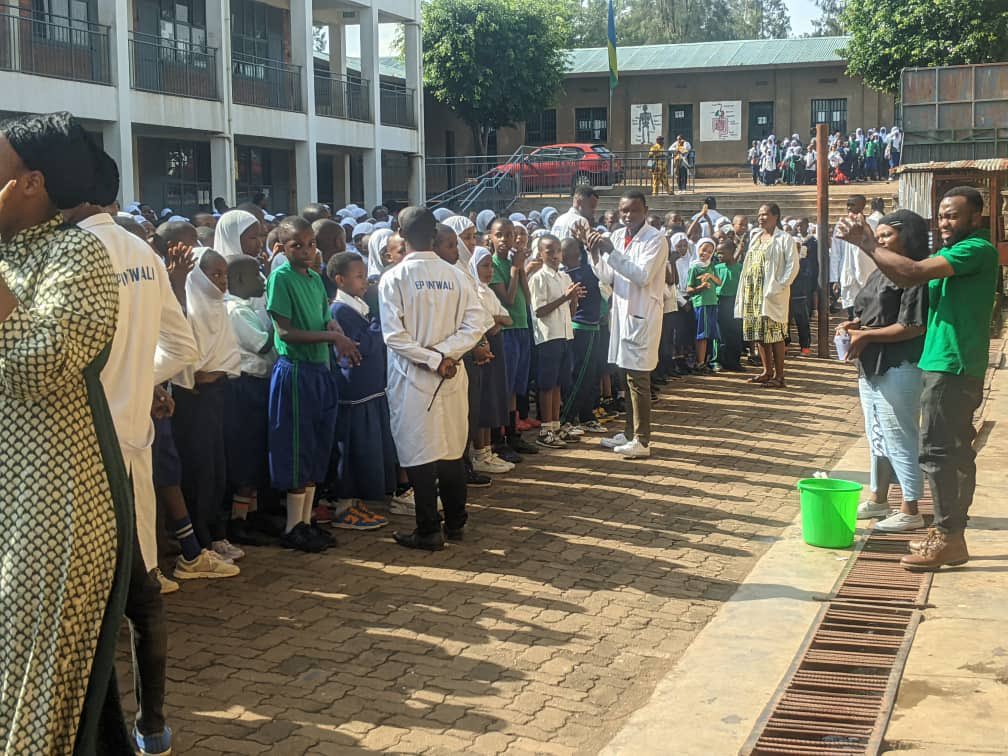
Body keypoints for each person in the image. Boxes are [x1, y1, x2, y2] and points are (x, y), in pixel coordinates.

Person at [0, 111, 132, 753]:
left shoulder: (77, 255)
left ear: (30, 183)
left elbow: (34, 367)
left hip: (51, 505)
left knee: (28, 696)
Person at [64, 157, 199, 754]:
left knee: (83, 601)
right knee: (141, 591)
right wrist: (139, 386)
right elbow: (182, 345)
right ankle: (151, 725)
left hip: (78, 450)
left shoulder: (64, 256)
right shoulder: (143, 253)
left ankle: (93, 729)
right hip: (132, 443)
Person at [838, 186, 999, 570]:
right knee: (938, 449)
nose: (945, 223)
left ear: (976, 218)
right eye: (941, 216)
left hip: (955, 363)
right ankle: (947, 533)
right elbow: (906, 276)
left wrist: (865, 243)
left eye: (953, 216)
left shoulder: (975, 249)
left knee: (944, 452)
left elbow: (910, 273)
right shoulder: (949, 252)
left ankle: (948, 536)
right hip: (938, 361)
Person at [379, 207, 488, 551]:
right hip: (451, 372)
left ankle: (429, 528)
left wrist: (432, 358)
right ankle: (455, 521)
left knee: (419, 451)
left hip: (413, 376)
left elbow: (394, 337)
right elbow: (476, 325)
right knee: (451, 447)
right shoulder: (456, 275)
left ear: (401, 232)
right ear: (433, 234)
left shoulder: (393, 278)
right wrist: (445, 354)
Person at [266, 217, 359, 553]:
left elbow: (325, 317)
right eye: (297, 245)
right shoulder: (281, 278)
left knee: (318, 445)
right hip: (296, 370)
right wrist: (332, 336)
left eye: (310, 244)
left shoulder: (315, 280)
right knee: (297, 446)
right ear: (282, 247)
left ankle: (306, 522)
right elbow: (286, 332)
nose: (306, 251)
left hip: (320, 370)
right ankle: (293, 527)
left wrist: (337, 331)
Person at [836, 210, 930, 534]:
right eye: (880, 236)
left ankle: (911, 506)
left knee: (900, 435)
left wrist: (868, 335)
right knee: (877, 434)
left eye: (888, 235)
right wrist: (854, 325)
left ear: (909, 238)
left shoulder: (915, 273)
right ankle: (878, 497)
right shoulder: (881, 271)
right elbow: (872, 310)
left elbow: (913, 326)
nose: (881, 241)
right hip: (871, 362)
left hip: (900, 363)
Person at [580, 190, 669, 459]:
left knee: (638, 378)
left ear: (645, 210)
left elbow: (642, 276)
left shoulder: (656, 239)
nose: (628, 216)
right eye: (623, 211)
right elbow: (607, 275)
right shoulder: (618, 236)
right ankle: (629, 433)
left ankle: (642, 439)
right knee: (625, 376)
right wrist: (594, 251)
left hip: (642, 315)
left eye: (633, 210)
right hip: (621, 313)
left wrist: (610, 251)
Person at [171, 248, 245, 564]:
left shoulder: (220, 308)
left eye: (224, 274)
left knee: (218, 468)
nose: (222, 281)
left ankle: (217, 535)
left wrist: (217, 370)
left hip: (218, 396)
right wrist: (214, 370)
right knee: (199, 470)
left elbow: (231, 359)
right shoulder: (189, 308)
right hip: (193, 401)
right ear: (198, 277)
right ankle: (199, 541)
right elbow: (195, 370)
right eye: (215, 274)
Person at [324, 252, 394, 529]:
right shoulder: (340, 310)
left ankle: (357, 502)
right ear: (340, 280)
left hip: (370, 388)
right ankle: (344, 505)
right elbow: (363, 345)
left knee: (367, 449)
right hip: (355, 391)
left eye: (365, 275)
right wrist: (380, 323)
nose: (365, 282)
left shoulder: (358, 306)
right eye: (359, 277)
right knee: (352, 449)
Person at [488, 217, 538, 457]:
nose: (505, 240)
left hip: (521, 326)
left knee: (518, 385)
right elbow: (507, 299)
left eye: (509, 235)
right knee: (504, 386)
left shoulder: (513, 262)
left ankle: (513, 434)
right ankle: (499, 439)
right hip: (505, 331)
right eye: (500, 235)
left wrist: (521, 268)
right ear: (491, 237)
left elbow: (526, 297)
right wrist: (516, 268)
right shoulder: (494, 264)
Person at [528, 234, 584, 447]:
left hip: (564, 334)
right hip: (548, 336)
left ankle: (555, 425)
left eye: (557, 250)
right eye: (549, 251)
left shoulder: (564, 277)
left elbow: (569, 311)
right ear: (540, 254)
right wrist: (564, 298)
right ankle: (545, 430)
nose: (554, 255)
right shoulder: (538, 278)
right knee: (546, 384)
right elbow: (540, 310)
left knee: (559, 382)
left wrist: (574, 299)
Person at [735, 202, 798, 388]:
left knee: (775, 334)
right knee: (759, 333)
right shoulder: (756, 236)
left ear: (775, 216)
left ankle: (780, 376)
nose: (761, 218)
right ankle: (766, 371)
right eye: (759, 214)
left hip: (771, 292)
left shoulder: (784, 239)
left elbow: (793, 266)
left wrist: (780, 286)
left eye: (765, 214)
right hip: (753, 292)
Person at [685, 238, 722, 373]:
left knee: (710, 333)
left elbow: (719, 282)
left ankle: (706, 360)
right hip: (702, 304)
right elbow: (688, 289)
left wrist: (710, 276)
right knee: (702, 334)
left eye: (709, 251)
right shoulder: (694, 267)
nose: (705, 253)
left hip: (712, 302)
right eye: (703, 250)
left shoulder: (711, 266)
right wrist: (700, 287)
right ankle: (700, 363)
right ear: (697, 249)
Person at [714, 237, 744, 372]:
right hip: (720, 302)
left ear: (731, 251)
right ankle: (720, 360)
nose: (719, 256)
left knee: (736, 332)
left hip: (735, 302)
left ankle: (734, 361)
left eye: (722, 253)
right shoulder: (717, 268)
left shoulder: (740, 268)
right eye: (717, 253)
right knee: (721, 333)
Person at [789, 224, 819, 356]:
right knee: (785, 322)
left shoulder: (804, 262)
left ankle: (805, 347)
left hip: (800, 296)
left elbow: (806, 275)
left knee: (802, 323)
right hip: (788, 296)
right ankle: (785, 344)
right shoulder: (787, 262)